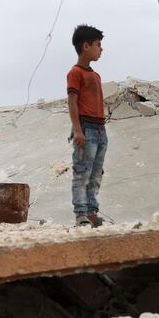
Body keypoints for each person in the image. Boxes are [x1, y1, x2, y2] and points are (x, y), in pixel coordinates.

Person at [67, 24, 106, 228]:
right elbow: (72, 102)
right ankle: (80, 212)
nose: (101, 49)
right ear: (86, 46)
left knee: (96, 173)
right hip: (86, 127)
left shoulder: (96, 75)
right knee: (82, 171)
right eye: (98, 45)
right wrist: (77, 129)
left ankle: (92, 212)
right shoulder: (75, 73)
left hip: (100, 129)